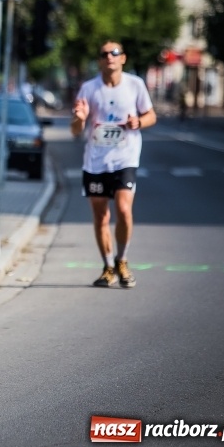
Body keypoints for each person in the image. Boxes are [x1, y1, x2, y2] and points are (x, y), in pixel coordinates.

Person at [70, 41, 156, 288]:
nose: (109, 56)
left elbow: (151, 115)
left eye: (114, 53)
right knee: (101, 216)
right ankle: (108, 265)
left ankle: (122, 259)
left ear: (123, 58)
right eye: (104, 54)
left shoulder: (135, 85)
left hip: (125, 158)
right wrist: (80, 118)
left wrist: (139, 122)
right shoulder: (88, 88)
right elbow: (75, 130)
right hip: (96, 162)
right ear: (99, 60)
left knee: (124, 209)